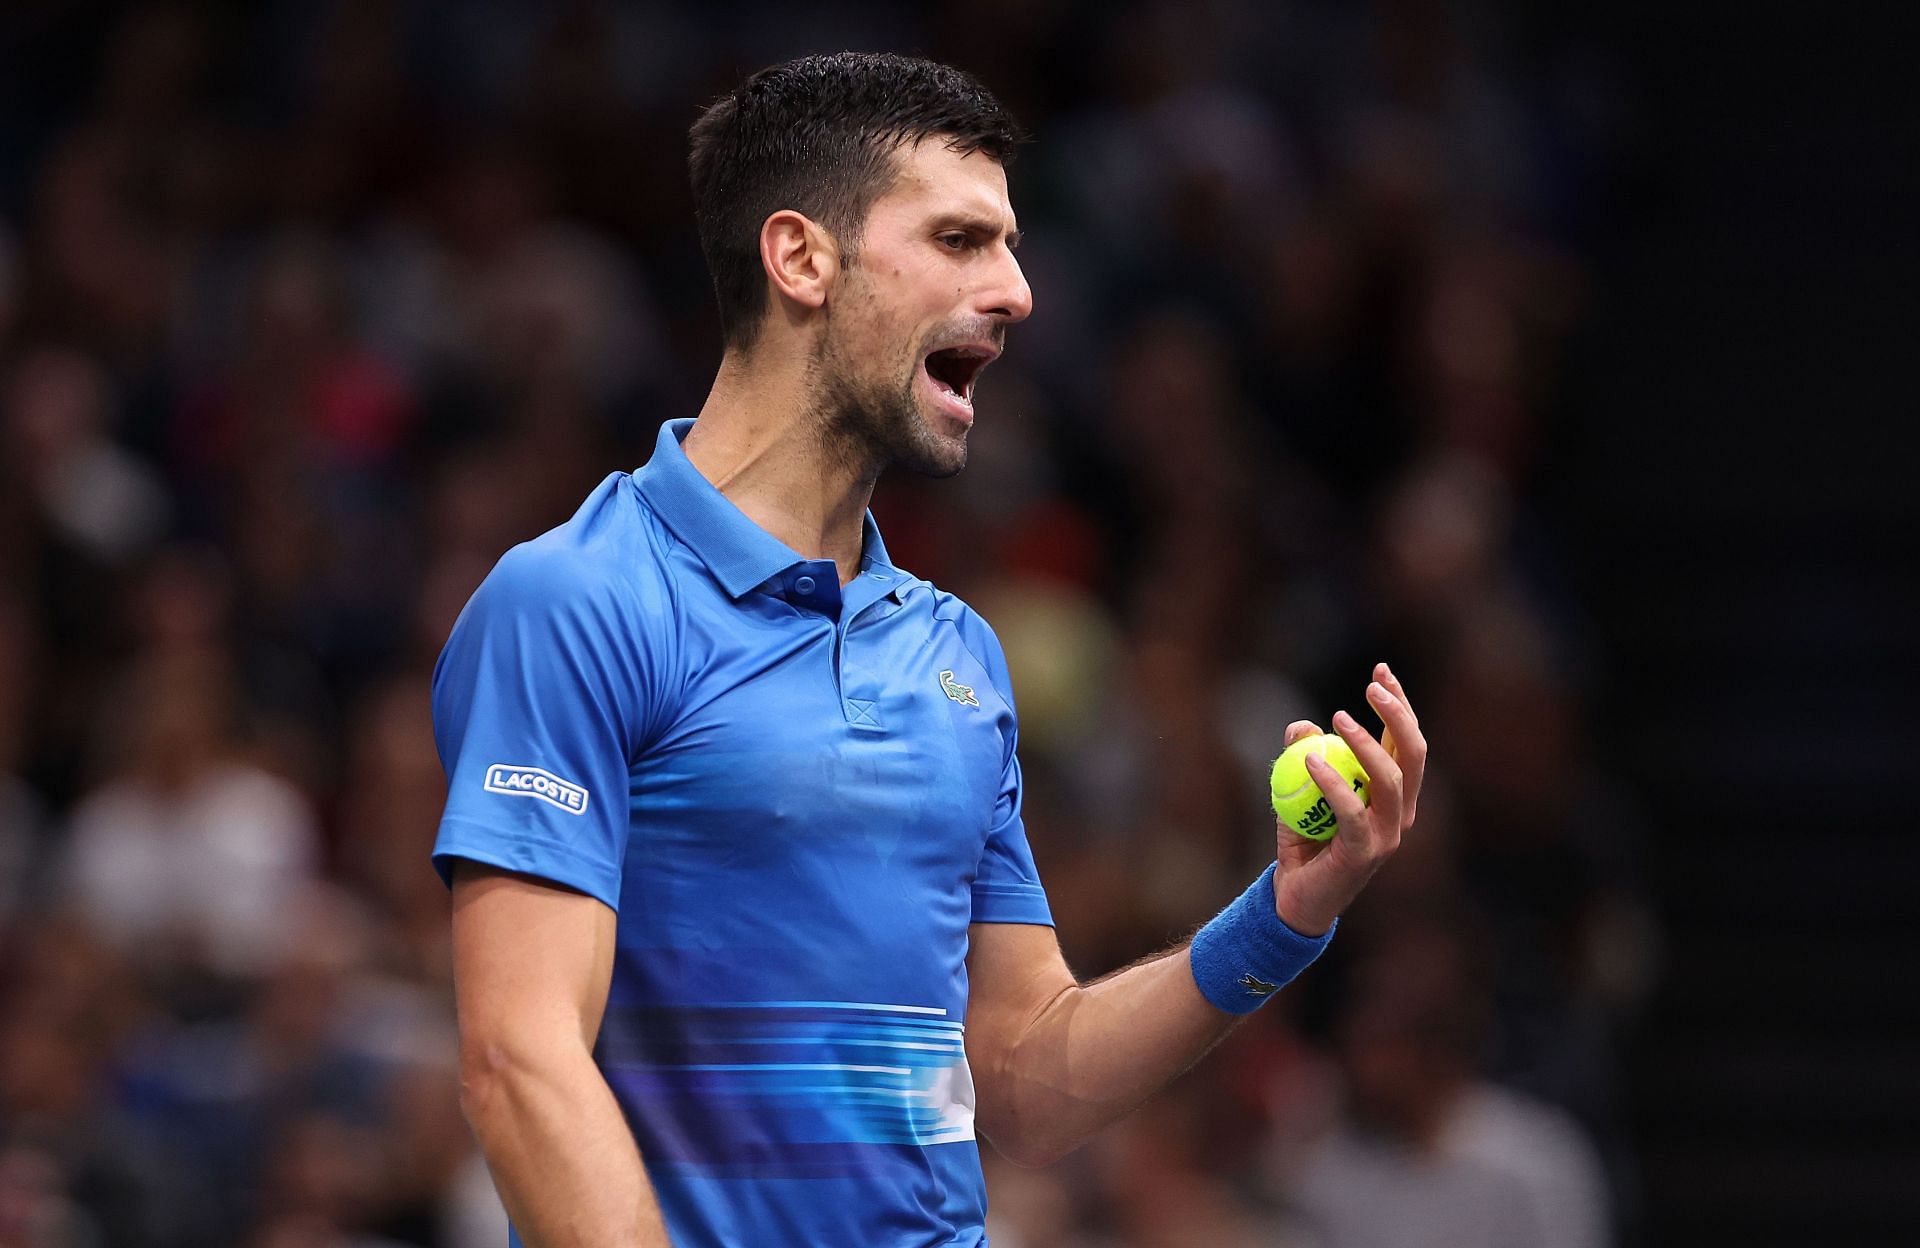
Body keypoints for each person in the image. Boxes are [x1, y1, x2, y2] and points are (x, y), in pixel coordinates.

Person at [430, 52, 1426, 1248]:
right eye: (961, 240)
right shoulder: (578, 601)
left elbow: (1025, 1078)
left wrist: (1287, 916)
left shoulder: (958, 657)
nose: (1015, 290)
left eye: (1008, 245)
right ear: (802, 258)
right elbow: (518, 1060)